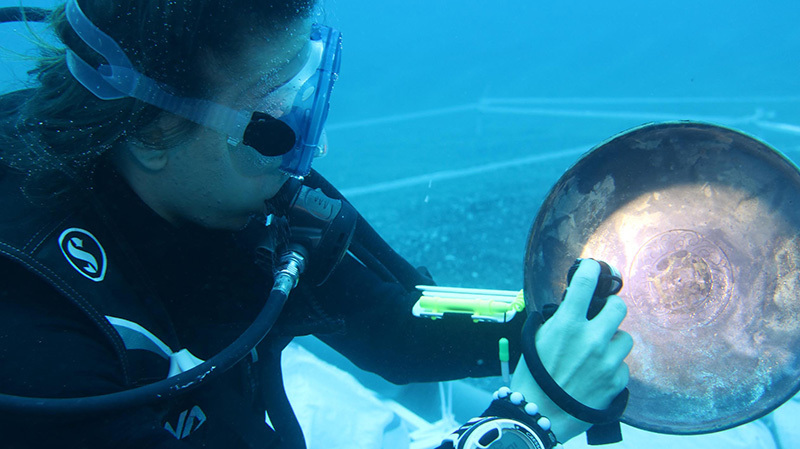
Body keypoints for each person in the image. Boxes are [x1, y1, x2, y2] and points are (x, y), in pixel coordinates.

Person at [0, 1, 632, 448]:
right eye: (277, 122)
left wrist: (544, 328)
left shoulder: (236, 184)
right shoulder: (35, 339)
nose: (313, 150)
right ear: (150, 131)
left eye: (308, 103)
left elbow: (389, 325)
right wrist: (530, 422)